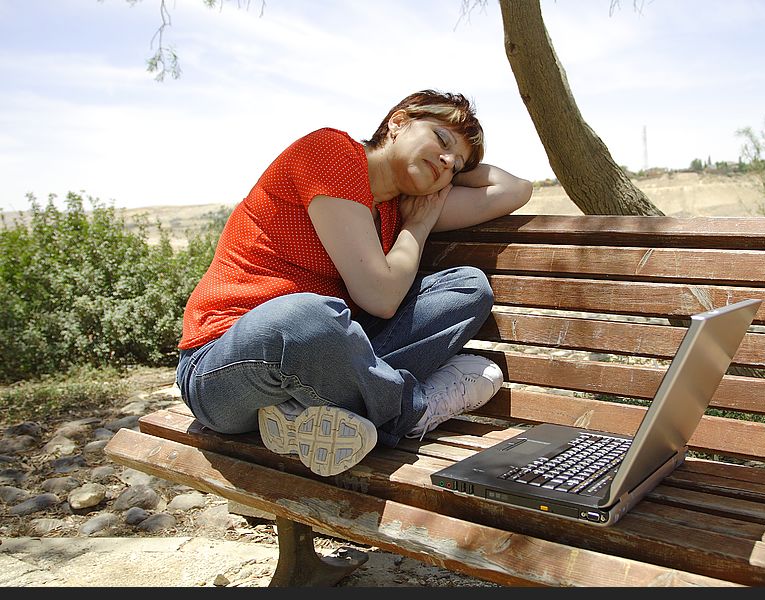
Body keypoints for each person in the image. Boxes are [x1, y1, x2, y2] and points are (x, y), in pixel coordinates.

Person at [176, 89, 533, 477]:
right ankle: (413, 409)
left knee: (468, 286)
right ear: (398, 123)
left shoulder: (401, 206)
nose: (447, 162)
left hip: (317, 371)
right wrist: (418, 226)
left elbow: (515, 189)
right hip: (225, 367)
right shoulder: (330, 152)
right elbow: (379, 298)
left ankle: (305, 414)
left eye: (455, 165)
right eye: (442, 139)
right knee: (305, 313)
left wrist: (443, 170)